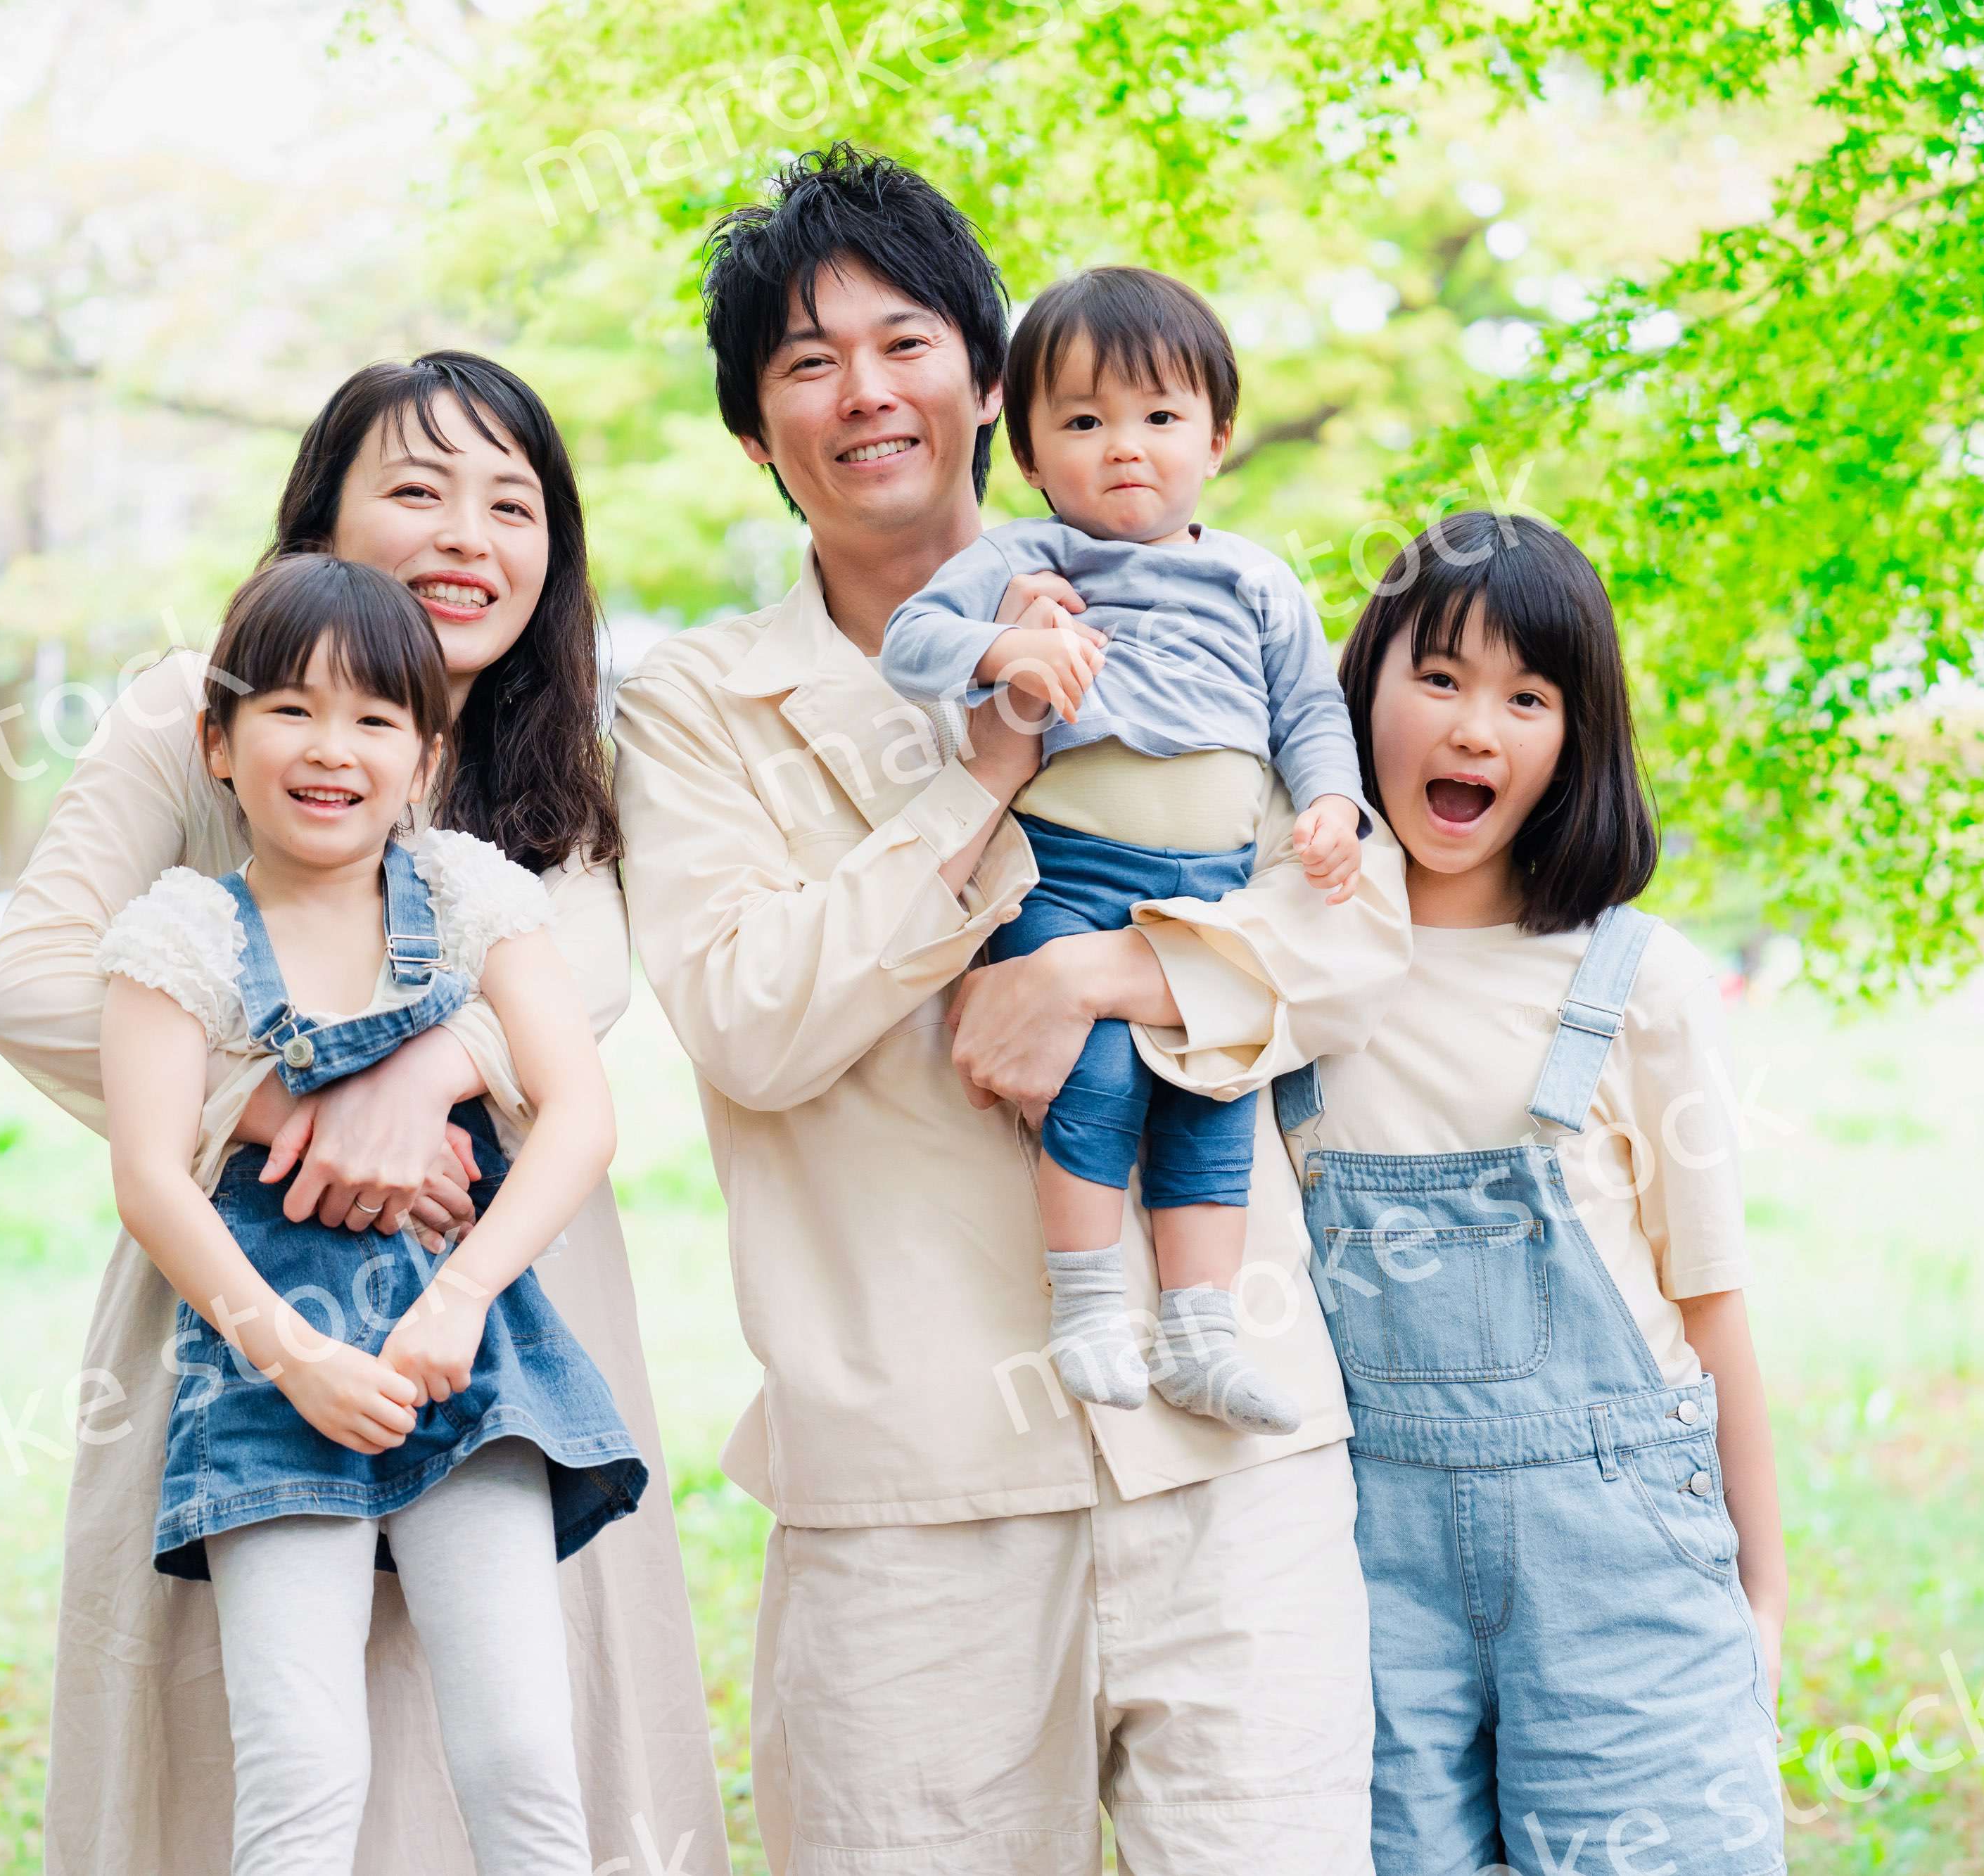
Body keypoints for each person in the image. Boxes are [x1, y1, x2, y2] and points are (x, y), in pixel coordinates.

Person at [611, 143, 1411, 1875]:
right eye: (805, 366)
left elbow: (1359, 935)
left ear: (986, 378)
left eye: (903, 343)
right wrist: (969, 788)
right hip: (913, 1493)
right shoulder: (696, 706)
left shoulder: (1196, 586)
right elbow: (746, 1018)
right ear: (755, 435)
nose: (862, 393)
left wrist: (1100, 972)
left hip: (1228, 1453)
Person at [0, 353, 723, 1876]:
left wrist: (433, 1063)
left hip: (506, 1301)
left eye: (512, 504)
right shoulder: (199, 711)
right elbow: (31, 980)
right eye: (416, 487)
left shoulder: (554, 744)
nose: (469, 535)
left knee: (527, 1738)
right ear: (319, 516)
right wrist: (271, 1097)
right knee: (277, 1755)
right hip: (246, 1303)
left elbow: (582, 977)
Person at [96, 552, 640, 1871]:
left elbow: (580, 1115)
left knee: (522, 1756)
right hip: (267, 1374)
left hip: (473, 1364)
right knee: (301, 1769)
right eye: (287, 709)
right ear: (219, 745)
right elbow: (153, 1174)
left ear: (424, 752)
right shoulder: (181, 936)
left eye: (375, 717)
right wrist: (295, 1355)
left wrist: (458, 1299)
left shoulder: (469, 899)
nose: (330, 748)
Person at [1284, 509, 1789, 1873]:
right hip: (1357, 1554)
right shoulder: (1286, 966)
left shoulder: (1637, 982)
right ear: (1359, 691)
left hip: (1619, 1555)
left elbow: (1713, 1305)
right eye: (1436, 679)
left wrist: (1763, 1596)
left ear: (1574, 739)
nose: (1473, 728)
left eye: (1526, 696)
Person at [879, 265, 1372, 1434]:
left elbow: (1310, 712)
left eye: (1160, 418)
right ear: (1033, 450)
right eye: (1085, 423)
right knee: (1092, 1080)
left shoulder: (1255, 577)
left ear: (1217, 436)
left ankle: (1202, 1333)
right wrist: (1005, 651)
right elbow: (912, 641)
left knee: (1215, 1090)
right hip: (1074, 877)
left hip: (1213, 892)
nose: (1125, 449)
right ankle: (1089, 1306)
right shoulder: (1028, 557)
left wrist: (1335, 808)